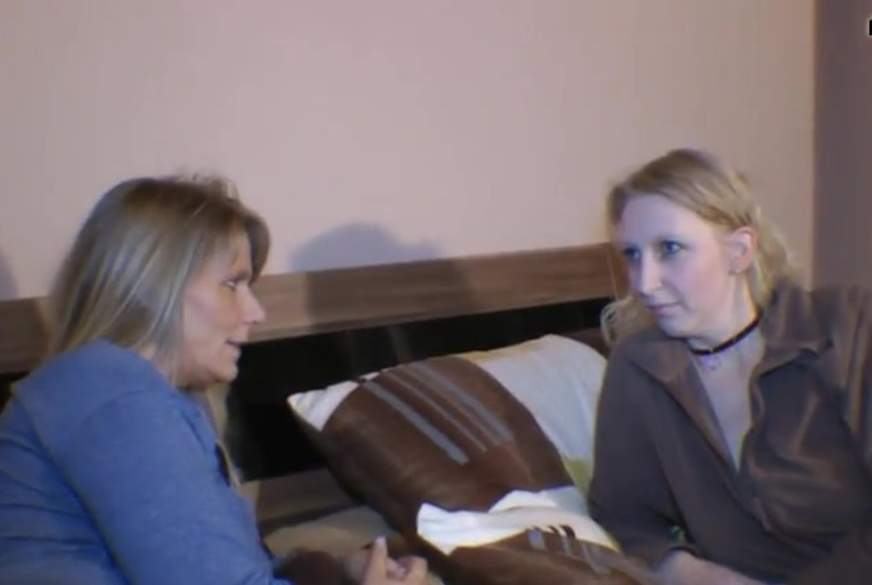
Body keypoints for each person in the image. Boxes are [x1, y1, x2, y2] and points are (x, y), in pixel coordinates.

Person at [0, 176, 428, 585]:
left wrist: (343, 570)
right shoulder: (114, 398)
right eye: (232, 284)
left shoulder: (123, 393)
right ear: (154, 285)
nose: (256, 312)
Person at [588, 148, 872, 585]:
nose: (644, 283)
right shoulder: (638, 369)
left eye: (669, 249)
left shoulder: (848, 327)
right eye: (632, 254)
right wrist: (697, 574)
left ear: (739, 251)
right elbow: (625, 520)